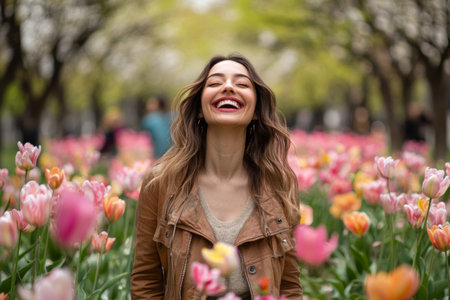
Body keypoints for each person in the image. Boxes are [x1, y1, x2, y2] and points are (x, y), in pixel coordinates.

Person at [131, 54, 302, 299]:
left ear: (255, 111)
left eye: (242, 84)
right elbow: (146, 281)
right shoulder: (161, 183)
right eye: (215, 83)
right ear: (200, 108)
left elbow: (289, 286)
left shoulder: (280, 185)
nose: (228, 87)